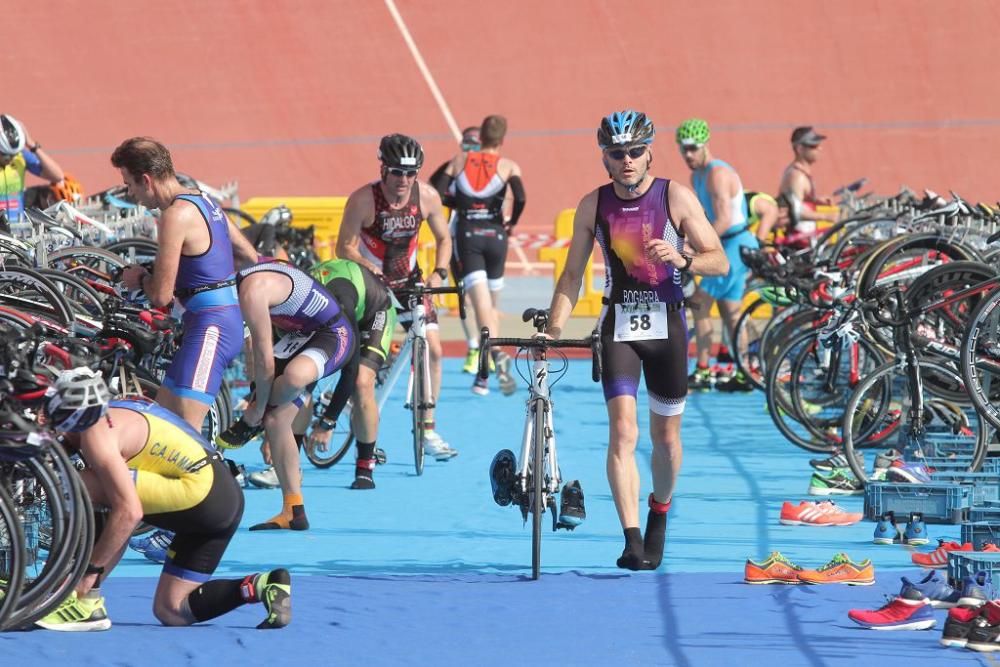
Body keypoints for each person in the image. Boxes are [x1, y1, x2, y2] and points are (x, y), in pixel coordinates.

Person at [532, 110, 727, 570]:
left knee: (666, 438)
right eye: (617, 153)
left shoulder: (673, 196)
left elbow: (719, 261)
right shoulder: (593, 205)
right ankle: (631, 538)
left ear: (649, 153)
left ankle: (658, 513)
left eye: (635, 152)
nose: (627, 160)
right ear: (604, 157)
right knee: (622, 431)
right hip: (620, 323)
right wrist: (554, 329)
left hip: (669, 324)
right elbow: (572, 275)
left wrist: (682, 259)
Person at [37, 368, 290, 631]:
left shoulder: (94, 432)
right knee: (172, 610)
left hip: (203, 491)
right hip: (220, 497)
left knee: (83, 485)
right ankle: (263, 585)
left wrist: (87, 575)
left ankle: (85, 599)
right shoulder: (112, 413)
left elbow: (129, 512)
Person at [112, 137, 259, 430]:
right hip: (216, 322)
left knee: (187, 439)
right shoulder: (204, 200)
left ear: (146, 180)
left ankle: (221, 476)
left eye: (130, 185)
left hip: (211, 330)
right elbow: (249, 255)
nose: (131, 194)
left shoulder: (174, 215)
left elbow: (159, 295)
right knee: (162, 427)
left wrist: (138, 278)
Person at [336, 133, 457, 461]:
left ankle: (428, 427)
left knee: (433, 348)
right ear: (383, 169)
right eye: (397, 172)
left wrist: (439, 273)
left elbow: (445, 239)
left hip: (409, 282)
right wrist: (364, 265)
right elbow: (343, 247)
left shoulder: (427, 196)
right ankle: (353, 407)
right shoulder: (363, 200)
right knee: (364, 362)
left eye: (411, 173)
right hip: (371, 284)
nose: (404, 180)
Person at [215, 259, 357, 530]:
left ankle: (254, 417)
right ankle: (294, 509)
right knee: (276, 422)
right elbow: (253, 353)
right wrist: (256, 394)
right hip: (299, 339)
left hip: (333, 334)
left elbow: (265, 360)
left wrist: (256, 406)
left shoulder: (251, 291)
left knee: (293, 377)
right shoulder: (239, 285)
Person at [253, 258, 397, 491]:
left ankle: (365, 465)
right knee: (299, 382)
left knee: (362, 382)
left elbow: (349, 369)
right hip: (323, 317)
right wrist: (271, 431)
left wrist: (328, 423)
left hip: (371, 313)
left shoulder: (335, 300)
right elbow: (282, 374)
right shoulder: (283, 306)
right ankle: (290, 465)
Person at [432, 115, 525, 396]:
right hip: (497, 237)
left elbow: (435, 189)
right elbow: (520, 198)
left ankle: (496, 354)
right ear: (502, 139)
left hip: (469, 236)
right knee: (490, 311)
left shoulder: (460, 161)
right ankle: (483, 377)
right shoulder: (509, 166)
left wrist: (457, 201)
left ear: (480, 137)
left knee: (481, 308)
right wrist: (512, 223)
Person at [675, 119, 759, 393]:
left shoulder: (717, 175)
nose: (687, 155)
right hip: (731, 243)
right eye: (683, 149)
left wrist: (695, 249)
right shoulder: (697, 175)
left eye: (692, 149)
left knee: (699, 302)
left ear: (705, 146)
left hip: (732, 244)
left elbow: (722, 220)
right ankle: (743, 369)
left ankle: (702, 368)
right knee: (730, 311)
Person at [430, 126, 483, 374]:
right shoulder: (456, 167)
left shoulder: (496, 168)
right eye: (466, 144)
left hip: (489, 238)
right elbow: (435, 189)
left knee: (486, 299)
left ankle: (488, 348)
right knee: (466, 296)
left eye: (474, 144)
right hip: (462, 237)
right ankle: (474, 347)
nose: (469, 149)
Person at [0, 114, 65, 222]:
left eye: (14, 154)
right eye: (7, 156)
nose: (11, 159)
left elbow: (57, 176)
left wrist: (31, 145)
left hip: (18, 227)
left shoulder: (20, 156)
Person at [778, 126, 839, 235]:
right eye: (814, 146)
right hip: (799, 240)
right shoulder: (797, 177)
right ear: (800, 149)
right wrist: (826, 216)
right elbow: (795, 212)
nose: (820, 148)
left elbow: (797, 201)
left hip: (805, 235)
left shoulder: (799, 173)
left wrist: (815, 200)